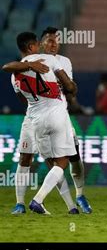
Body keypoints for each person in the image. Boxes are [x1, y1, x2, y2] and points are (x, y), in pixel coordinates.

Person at [4, 32, 77, 214]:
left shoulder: (14, 75)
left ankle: (71, 207)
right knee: (59, 162)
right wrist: (67, 88)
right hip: (55, 115)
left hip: (36, 119)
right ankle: (35, 200)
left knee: (37, 160)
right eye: (38, 43)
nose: (41, 46)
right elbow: (69, 87)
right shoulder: (48, 60)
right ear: (31, 47)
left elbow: (23, 99)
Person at [42, 27, 91, 213]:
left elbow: (69, 88)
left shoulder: (64, 61)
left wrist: (71, 95)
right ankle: (25, 202)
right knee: (49, 163)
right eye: (50, 40)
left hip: (61, 114)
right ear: (41, 43)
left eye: (57, 41)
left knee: (75, 157)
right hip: (39, 117)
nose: (54, 44)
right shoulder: (33, 62)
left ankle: (79, 194)